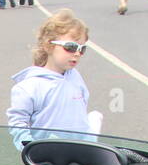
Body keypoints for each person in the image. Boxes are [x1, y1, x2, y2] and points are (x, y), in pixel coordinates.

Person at [8, 8, 101, 146]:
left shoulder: (75, 77)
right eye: (70, 47)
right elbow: (18, 123)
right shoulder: (29, 86)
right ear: (48, 45)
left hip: (82, 151)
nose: (77, 53)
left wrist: (89, 138)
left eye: (82, 49)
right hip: (48, 156)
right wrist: (31, 149)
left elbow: (81, 109)